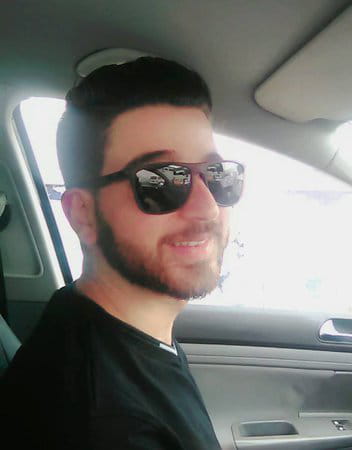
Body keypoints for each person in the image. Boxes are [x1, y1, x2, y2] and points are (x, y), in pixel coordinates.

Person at [0, 56, 244, 449]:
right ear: (84, 213)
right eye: (161, 180)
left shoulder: (94, 321)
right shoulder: (106, 424)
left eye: (218, 176)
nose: (208, 208)